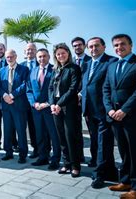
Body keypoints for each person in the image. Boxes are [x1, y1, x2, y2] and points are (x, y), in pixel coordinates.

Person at [104, 34, 136, 198]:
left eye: (122, 44)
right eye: (116, 45)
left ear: (131, 45)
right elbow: (106, 90)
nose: (119, 48)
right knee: (124, 151)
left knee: (135, 152)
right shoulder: (112, 66)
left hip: (133, 116)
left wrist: (124, 110)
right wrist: (110, 110)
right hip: (115, 117)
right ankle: (125, 181)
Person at [81, 37, 119, 189]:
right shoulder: (86, 64)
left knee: (103, 143)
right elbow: (86, 85)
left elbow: (112, 86)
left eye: (96, 46)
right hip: (90, 111)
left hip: (104, 110)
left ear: (104, 47)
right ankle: (111, 171)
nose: (93, 49)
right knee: (98, 142)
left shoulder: (111, 62)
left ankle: (99, 175)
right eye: (90, 47)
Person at [48, 43, 82, 178]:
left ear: (68, 53)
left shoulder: (74, 69)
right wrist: (52, 104)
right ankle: (66, 163)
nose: (60, 55)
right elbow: (50, 88)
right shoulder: (55, 69)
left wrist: (59, 104)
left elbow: (73, 89)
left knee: (70, 137)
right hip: (56, 108)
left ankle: (75, 165)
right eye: (58, 54)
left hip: (69, 108)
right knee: (61, 137)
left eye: (63, 53)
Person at [26, 48, 61, 170]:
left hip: (50, 108)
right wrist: (33, 103)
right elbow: (29, 90)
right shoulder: (33, 71)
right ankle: (43, 157)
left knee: (53, 135)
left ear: (49, 57)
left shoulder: (55, 70)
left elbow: (57, 90)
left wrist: (47, 103)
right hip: (36, 109)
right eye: (39, 56)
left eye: (44, 56)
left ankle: (55, 159)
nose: (42, 59)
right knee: (40, 134)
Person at [0, 50, 30, 164]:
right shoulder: (2, 70)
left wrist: (12, 95)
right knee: (7, 130)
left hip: (19, 105)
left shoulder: (24, 69)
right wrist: (5, 95)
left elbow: (25, 85)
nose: (9, 59)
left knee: (21, 131)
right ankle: (8, 153)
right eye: (7, 57)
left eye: (11, 56)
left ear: (16, 56)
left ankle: (22, 154)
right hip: (6, 106)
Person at [71, 37, 90, 164]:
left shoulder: (91, 61)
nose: (77, 47)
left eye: (79, 45)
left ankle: (95, 158)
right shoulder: (70, 61)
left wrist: (81, 93)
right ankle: (79, 156)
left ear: (84, 46)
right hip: (72, 102)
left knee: (92, 131)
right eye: (75, 46)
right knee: (75, 131)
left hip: (87, 100)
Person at [19, 43, 38, 159]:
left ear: (35, 51)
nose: (30, 52)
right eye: (27, 50)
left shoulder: (40, 64)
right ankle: (24, 148)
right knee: (23, 127)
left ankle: (38, 148)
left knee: (35, 126)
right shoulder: (20, 66)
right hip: (22, 102)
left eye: (32, 49)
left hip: (37, 101)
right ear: (24, 52)